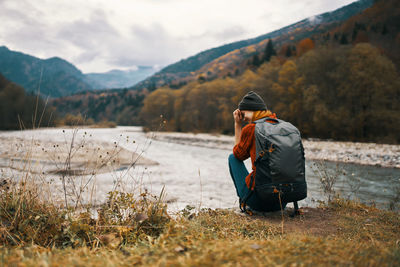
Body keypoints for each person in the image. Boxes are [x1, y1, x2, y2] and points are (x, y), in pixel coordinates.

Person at [229, 91, 287, 212]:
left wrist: (237, 124)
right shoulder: (282, 127)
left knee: (232, 158)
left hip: (260, 202)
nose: (244, 118)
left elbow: (237, 155)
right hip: (283, 201)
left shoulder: (252, 128)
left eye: (243, 114)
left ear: (251, 110)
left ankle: (244, 202)